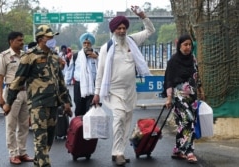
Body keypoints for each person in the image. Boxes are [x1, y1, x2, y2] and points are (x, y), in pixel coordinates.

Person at [92, 5, 155, 166]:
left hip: (130, 90)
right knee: (119, 118)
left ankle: (119, 151)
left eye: (123, 28)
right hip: (114, 90)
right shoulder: (107, 48)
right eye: (118, 28)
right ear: (113, 30)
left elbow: (150, 30)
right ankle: (118, 152)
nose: (121, 31)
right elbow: (100, 72)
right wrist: (96, 92)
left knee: (127, 120)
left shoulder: (132, 41)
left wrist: (143, 16)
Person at [2, 25, 73, 167]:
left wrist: (66, 102)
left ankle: (39, 162)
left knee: (49, 140)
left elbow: (60, 81)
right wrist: (8, 102)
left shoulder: (54, 56)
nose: (53, 40)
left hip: (53, 104)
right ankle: (43, 164)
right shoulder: (29, 56)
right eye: (50, 37)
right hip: (37, 105)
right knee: (40, 140)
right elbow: (18, 80)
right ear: (41, 39)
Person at [163, 34, 205, 163]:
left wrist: (200, 89)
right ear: (179, 46)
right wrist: (169, 98)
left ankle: (178, 149)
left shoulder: (193, 59)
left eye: (189, 45)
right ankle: (189, 151)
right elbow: (169, 81)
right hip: (179, 96)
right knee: (189, 121)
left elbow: (196, 75)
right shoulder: (173, 61)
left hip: (192, 98)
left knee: (183, 124)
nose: (188, 47)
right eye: (185, 45)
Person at [0, 31, 34, 165]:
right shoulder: (4, 56)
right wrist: (0, 97)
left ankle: (22, 152)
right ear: (11, 41)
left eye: (22, 40)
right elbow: (0, 77)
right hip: (11, 94)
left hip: (25, 93)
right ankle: (13, 154)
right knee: (11, 125)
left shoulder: (25, 55)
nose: (22, 42)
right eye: (19, 40)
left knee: (24, 124)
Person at [71, 32, 98, 116]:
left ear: (91, 44)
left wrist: (96, 58)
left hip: (92, 86)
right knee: (79, 109)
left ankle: (89, 128)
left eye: (88, 43)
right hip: (79, 86)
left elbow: (102, 68)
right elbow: (70, 69)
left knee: (90, 110)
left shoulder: (97, 55)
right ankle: (79, 128)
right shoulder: (76, 55)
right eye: (84, 43)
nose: (86, 45)